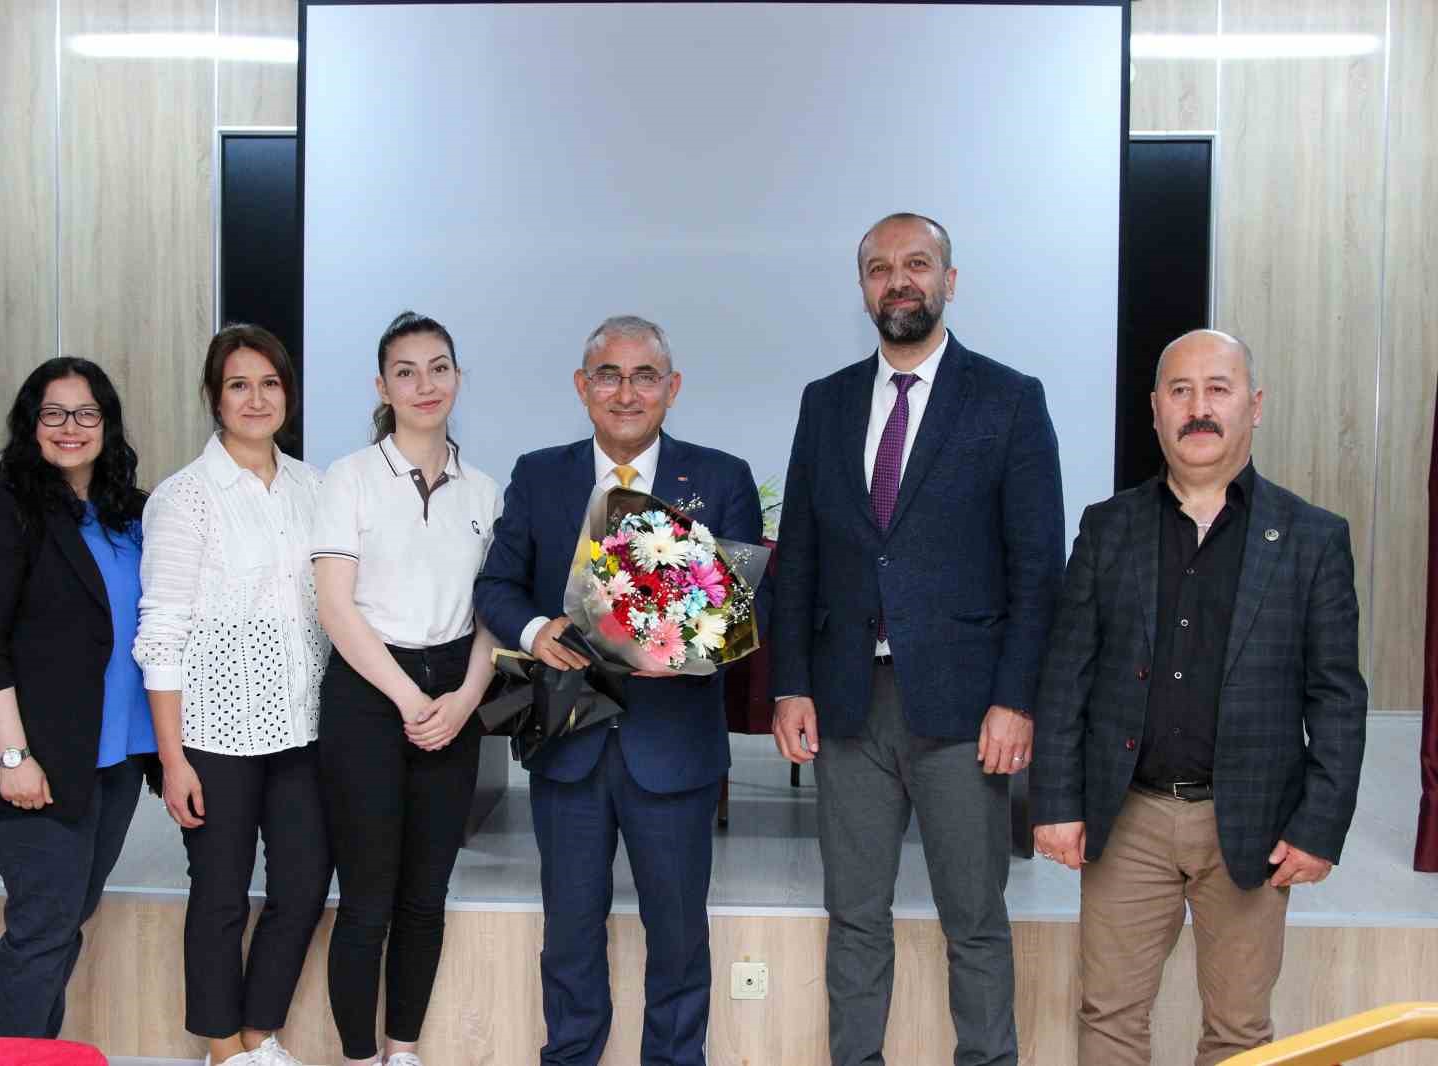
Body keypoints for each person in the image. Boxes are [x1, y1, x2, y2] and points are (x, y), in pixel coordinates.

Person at [770, 213, 1064, 1066]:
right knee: (854, 916)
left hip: (967, 710)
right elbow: (805, 558)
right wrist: (792, 683)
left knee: (973, 918)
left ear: (949, 280)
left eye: (917, 264)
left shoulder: (1009, 398)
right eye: (879, 268)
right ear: (862, 287)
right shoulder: (824, 403)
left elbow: (1036, 566)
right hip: (849, 705)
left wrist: (1016, 699)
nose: (898, 280)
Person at [1030, 329, 1368, 1066]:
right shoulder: (1107, 526)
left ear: (1255, 404)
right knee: (1109, 1016)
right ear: (1155, 411)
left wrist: (1320, 825)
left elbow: (1337, 695)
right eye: (1179, 392)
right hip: (1129, 816)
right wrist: (1054, 802)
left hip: (1251, 821)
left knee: (1240, 1030)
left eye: (1218, 388)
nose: (1199, 408)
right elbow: (1067, 675)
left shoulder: (1313, 538)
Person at [474, 315, 762, 1066]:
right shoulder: (540, 475)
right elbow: (497, 584)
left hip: (672, 748)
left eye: (643, 376)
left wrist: (695, 650)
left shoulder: (722, 477)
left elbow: (739, 607)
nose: (625, 392)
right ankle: (569, 1055)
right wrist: (536, 629)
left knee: (677, 936)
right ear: (582, 386)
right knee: (569, 931)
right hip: (567, 744)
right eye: (608, 374)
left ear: (672, 388)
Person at [133, 325, 331, 1066]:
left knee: (304, 885)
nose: (257, 399)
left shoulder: (316, 488)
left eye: (270, 384)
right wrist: (172, 758)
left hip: (304, 726)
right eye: (239, 385)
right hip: (214, 735)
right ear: (215, 398)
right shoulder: (186, 498)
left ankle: (260, 1033)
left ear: (289, 393)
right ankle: (223, 1048)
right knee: (220, 895)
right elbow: (161, 631)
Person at [311, 312, 502, 1066]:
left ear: (458, 377)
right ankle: (359, 1058)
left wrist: (462, 700)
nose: (425, 385)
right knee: (367, 901)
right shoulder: (349, 479)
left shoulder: (484, 491)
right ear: (382, 386)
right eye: (406, 371)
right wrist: (405, 698)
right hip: (368, 693)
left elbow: (497, 610)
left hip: (456, 694)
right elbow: (335, 606)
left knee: (426, 896)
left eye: (439, 367)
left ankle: (404, 1051)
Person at [0, 356, 157, 1037]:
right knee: (42, 930)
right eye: (54, 413)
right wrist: (13, 757)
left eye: (87, 412)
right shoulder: (5, 508)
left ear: (108, 424)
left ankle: (37, 1053)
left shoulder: (130, 516)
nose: (72, 427)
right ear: (30, 424)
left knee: (65, 920)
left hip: (119, 757)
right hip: (37, 762)